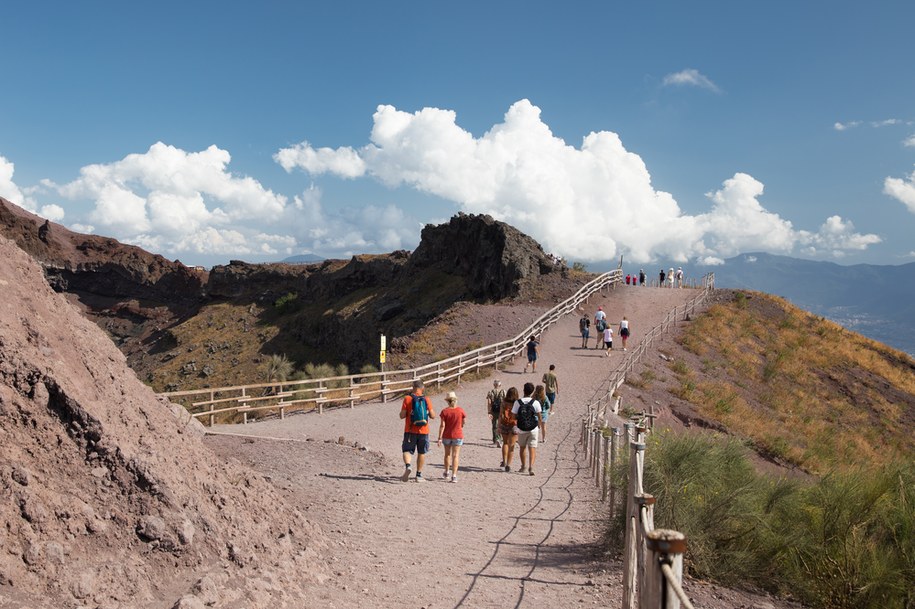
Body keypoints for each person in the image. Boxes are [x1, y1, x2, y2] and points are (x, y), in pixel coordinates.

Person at [399, 380, 437, 482]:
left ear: (413, 388)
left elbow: (402, 416)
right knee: (421, 452)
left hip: (410, 430)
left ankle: (408, 466)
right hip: (424, 431)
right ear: (422, 388)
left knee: (406, 450)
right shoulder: (426, 399)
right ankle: (419, 475)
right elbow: (433, 416)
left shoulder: (407, 398)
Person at [511, 382, 542, 475]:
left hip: (522, 428)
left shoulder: (518, 402)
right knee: (532, 448)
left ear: (524, 390)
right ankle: (531, 467)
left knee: (522, 447)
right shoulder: (535, 402)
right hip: (533, 428)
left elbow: (513, 416)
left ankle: (523, 466)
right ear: (532, 392)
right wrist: (539, 425)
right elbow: (540, 416)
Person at [437, 391, 466, 483]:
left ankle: (446, 472)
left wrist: (439, 438)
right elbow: (463, 423)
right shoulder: (460, 410)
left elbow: (442, 426)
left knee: (447, 454)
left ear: (447, 401)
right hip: (458, 435)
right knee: (455, 455)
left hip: (447, 435)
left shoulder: (444, 411)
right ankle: (454, 475)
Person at [499, 387, 520, 471]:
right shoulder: (518, 403)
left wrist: (498, 426)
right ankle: (509, 464)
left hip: (504, 424)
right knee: (512, 446)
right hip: (514, 424)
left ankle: (504, 461)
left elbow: (501, 414)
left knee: (505, 443)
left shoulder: (504, 402)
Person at [486, 380, 505, 447]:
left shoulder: (490, 392)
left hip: (493, 410)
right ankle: (500, 439)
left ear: (494, 385)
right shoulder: (503, 391)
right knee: (501, 425)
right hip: (501, 410)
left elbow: (489, 403)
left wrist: (489, 412)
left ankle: (495, 439)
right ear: (500, 385)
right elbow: (505, 401)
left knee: (494, 425)